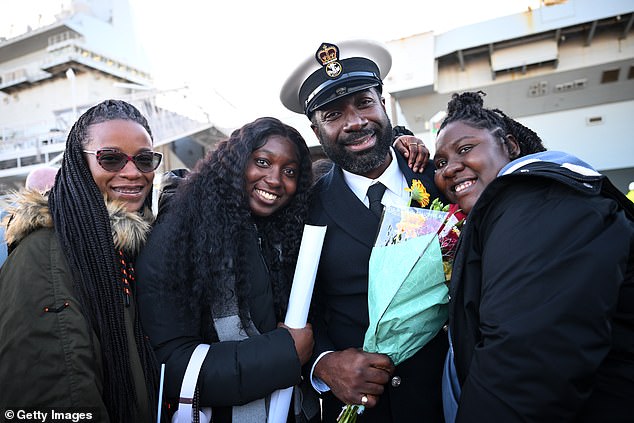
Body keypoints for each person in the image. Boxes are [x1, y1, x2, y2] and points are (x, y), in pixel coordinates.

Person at [433, 91, 634, 422]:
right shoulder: (520, 207)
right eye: (440, 163)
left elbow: (522, 371)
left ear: (511, 146)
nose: (450, 168)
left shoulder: (539, 202)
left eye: (465, 149)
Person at [280, 39, 448, 422]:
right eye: (333, 113)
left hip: (452, 397)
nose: (355, 122)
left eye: (364, 103)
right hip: (366, 410)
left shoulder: (440, 179)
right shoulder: (305, 210)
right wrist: (323, 364)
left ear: (383, 104)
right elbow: (298, 308)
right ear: (316, 128)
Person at [135, 117, 320, 422]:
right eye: (262, 162)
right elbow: (169, 364)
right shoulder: (177, 234)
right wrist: (283, 354)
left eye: (290, 172)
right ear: (235, 162)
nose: (275, 179)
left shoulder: (281, 233)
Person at [0, 99, 162, 422]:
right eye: (111, 158)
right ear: (78, 164)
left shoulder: (124, 248)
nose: (132, 172)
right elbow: (57, 401)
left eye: (144, 160)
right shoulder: (44, 255)